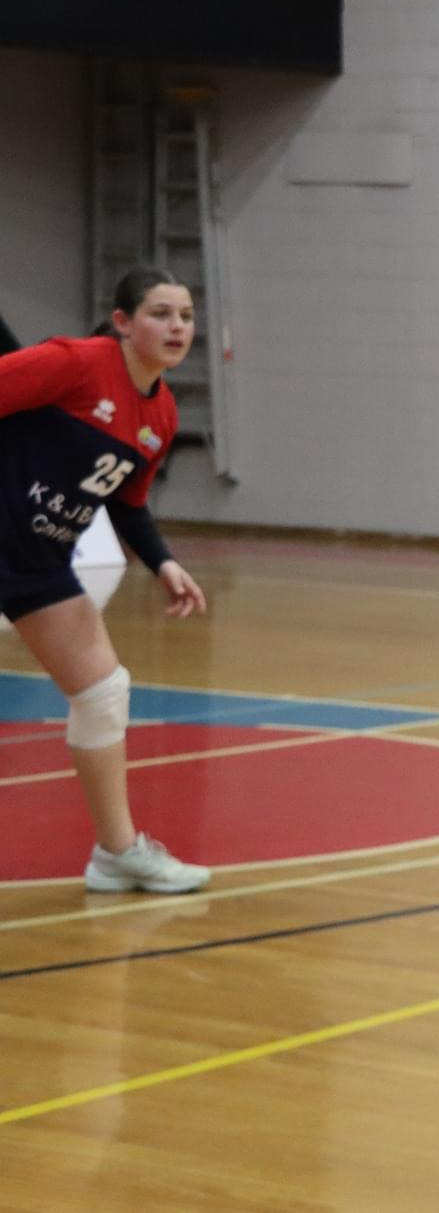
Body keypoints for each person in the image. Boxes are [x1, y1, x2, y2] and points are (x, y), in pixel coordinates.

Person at [0, 267, 210, 893]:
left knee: (103, 691)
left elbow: (126, 501)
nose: (176, 327)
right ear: (122, 322)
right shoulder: (75, 363)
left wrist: (162, 561)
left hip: (37, 560)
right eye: (160, 313)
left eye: (186, 316)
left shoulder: (162, 415)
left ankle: (117, 853)